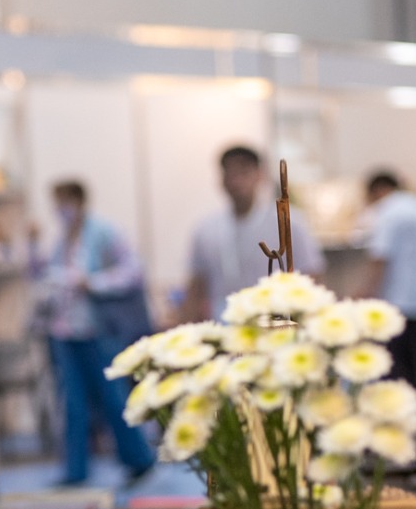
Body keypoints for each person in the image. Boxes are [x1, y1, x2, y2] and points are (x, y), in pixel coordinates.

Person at [29, 181, 156, 487]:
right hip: (64, 332)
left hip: (97, 330)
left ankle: (139, 458)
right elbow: (40, 274)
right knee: (72, 403)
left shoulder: (104, 232)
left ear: (79, 200)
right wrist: (31, 246)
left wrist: (94, 282)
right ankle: (76, 470)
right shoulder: (61, 240)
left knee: (113, 397)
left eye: (64, 201)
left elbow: (133, 271)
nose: (60, 209)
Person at [183, 145, 325, 322]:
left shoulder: (288, 222)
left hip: (278, 322)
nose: (237, 181)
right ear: (222, 180)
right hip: (226, 322)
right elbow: (197, 286)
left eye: (244, 172)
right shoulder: (206, 229)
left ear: (259, 175)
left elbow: (311, 275)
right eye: (230, 173)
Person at [358, 170, 416, 394]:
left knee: (396, 370)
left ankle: (399, 420)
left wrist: (364, 292)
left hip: (398, 302)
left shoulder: (388, 213)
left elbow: (380, 258)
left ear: (378, 191)